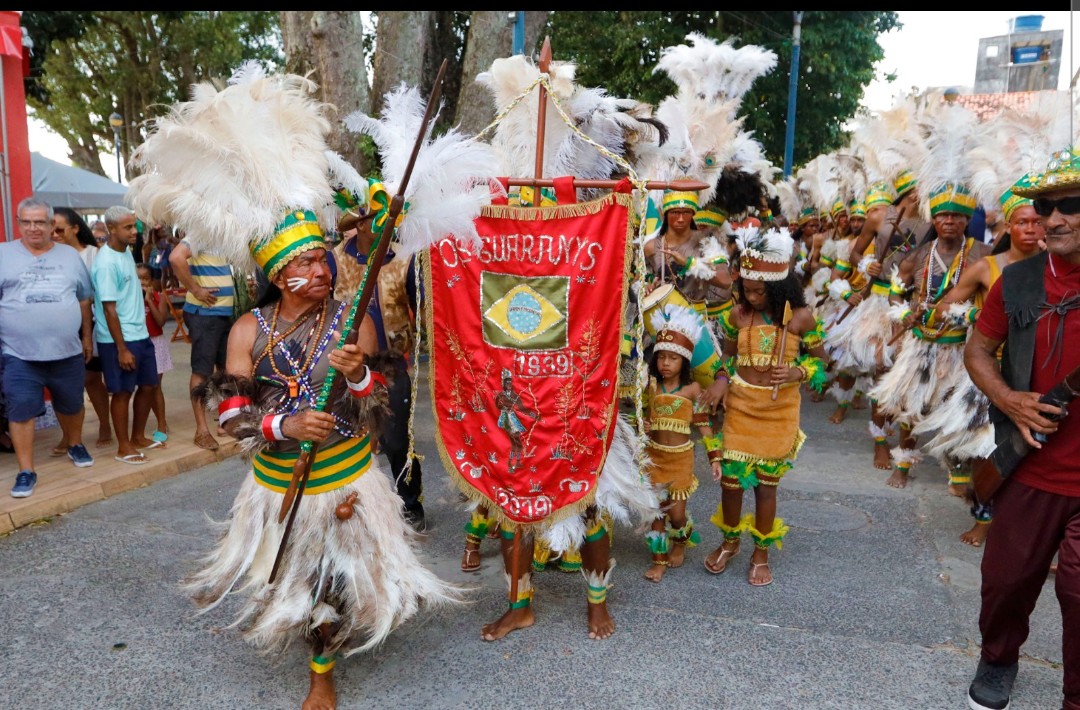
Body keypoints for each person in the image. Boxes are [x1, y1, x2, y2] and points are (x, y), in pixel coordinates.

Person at [130, 64, 465, 710]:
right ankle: (320, 651)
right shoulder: (245, 332)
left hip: (344, 474)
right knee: (304, 575)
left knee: (335, 578)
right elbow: (230, 413)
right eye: (307, 262)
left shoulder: (352, 316)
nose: (321, 267)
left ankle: (321, 672)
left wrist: (357, 373)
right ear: (280, 275)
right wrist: (284, 426)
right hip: (282, 481)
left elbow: (381, 396)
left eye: (321, 258)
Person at [964, 147, 1080, 710]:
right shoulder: (1016, 281)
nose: (1054, 219)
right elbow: (978, 351)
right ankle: (998, 657)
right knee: (1006, 583)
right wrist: (1009, 399)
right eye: (1044, 206)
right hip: (1028, 463)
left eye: (1070, 206)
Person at [913, 180, 1045, 546]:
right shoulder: (988, 268)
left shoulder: (1056, 266)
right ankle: (984, 516)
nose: (1030, 230)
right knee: (984, 447)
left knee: (1034, 452)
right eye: (1022, 222)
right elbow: (943, 307)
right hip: (991, 371)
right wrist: (975, 314)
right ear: (1008, 226)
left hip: (1040, 371)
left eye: (1037, 222)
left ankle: (1033, 528)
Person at [701, 226, 828, 586]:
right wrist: (721, 383)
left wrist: (797, 371)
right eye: (746, 290)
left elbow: (824, 363)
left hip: (778, 412)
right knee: (731, 482)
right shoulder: (737, 316)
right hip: (742, 407)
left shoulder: (800, 318)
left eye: (759, 292)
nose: (751, 297)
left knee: (765, 487)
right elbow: (725, 359)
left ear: (778, 289)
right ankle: (730, 543)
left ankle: (760, 552)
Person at [332, 211, 427, 530]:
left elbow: (425, 306)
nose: (390, 224)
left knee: (398, 441)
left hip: (392, 366)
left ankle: (410, 503)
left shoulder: (406, 258)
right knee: (347, 438)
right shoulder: (333, 261)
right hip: (343, 366)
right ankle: (349, 506)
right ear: (360, 224)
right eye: (379, 219)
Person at [0, 198, 95, 498]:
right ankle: (26, 471)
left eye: (39, 222)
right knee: (20, 410)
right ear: (18, 223)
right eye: (26, 222)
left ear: (51, 224)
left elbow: (83, 298)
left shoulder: (69, 256)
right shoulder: (3, 255)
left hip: (66, 351)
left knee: (72, 405)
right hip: (18, 353)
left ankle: (75, 443)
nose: (33, 228)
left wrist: (87, 337)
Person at [641, 304, 722, 582]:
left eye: (672, 358)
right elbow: (641, 418)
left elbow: (703, 426)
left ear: (684, 361)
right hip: (654, 458)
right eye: (661, 357)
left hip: (680, 461)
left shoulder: (692, 390)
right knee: (656, 513)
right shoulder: (650, 386)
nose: (665, 363)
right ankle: (658, 560)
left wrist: (715, 458)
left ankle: (680, 541)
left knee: (676, 515)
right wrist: (644, 428)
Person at [92, 205, 159, 465]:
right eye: (128, 227)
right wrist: (121, 349)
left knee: (150, 385)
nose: (134, 231)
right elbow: (109, 310)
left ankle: (138, 436)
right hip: (118, 340)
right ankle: (123, 447)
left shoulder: (126, 252)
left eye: (135, 226)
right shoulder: (106, 263)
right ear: (111, 229)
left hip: (139, 334)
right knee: (122, 392)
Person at [50, 206, 113, 450]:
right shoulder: (49, 256)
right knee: (59, 382)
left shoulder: (93, 255)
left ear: (75, 228)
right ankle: (68, 434)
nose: (54, 234)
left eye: (59, 229)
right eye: (51, 229)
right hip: (59, 326)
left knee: (91, 379)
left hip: (92, 324)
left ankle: (105, 424)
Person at [169, 235, 234, 451]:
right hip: (206, 313)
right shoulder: (199, 235)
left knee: (224, 369)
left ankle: (225, 423)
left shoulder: (220, 237)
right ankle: (202, 430)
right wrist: (196, 290)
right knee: (202, 371)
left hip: (221, 312)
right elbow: (176, 257)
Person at [137, 263, 171, 443]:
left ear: (152, 281)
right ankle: (154, 421)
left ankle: (162, 424)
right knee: (145, 386)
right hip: (138, 343)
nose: (141, 282)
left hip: (155, 343)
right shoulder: (130, 299)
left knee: (155, 385)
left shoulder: (159, 297)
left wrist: (150, 300)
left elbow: (161, 321)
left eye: (145, 279)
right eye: (138, 279)